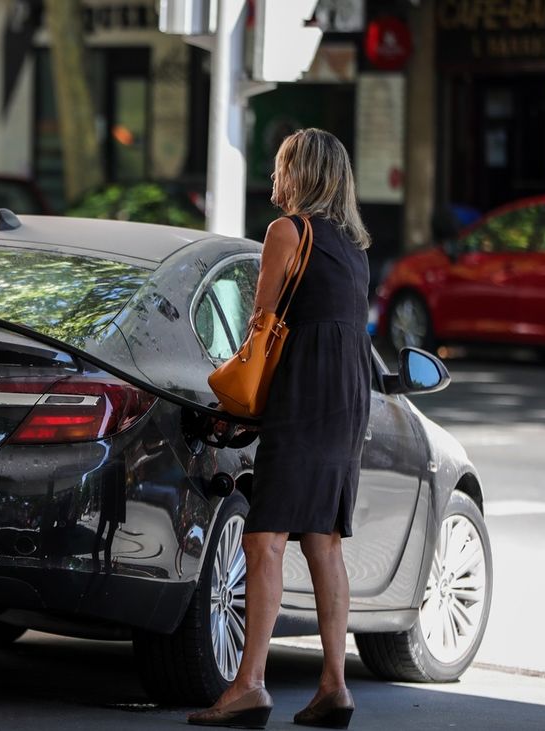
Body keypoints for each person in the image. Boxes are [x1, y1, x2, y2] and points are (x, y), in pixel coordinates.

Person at [187, 128, 372, 729]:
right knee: (324, 540)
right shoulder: (355, 246)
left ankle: (249, 684)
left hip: (304, 393)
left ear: (301, 173)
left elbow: (261, 322)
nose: (274, 180)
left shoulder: (288, 232)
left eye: (280, 167)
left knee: (263, 538)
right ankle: (333, 685)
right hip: (347, 395)